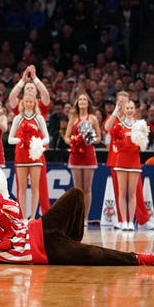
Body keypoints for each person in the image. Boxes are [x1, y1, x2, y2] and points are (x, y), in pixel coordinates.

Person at [104, 91, 154, 230]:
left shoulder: (137, 121)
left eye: (125, 102)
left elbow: (143, 141)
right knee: (119, 191)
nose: (123, 105)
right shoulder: (114, 119)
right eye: (120, 102)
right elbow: (107, 128)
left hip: (133, 160)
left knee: (135, 191)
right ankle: (121, 220)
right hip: (117, 159)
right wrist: (116, 110)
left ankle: (140, 220)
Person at [8, 65, 51, 214]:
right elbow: (11, 97)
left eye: (33, 88)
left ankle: (44, 215)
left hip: (37, 152)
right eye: (28, 88)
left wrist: (35, 78)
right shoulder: (19, 108)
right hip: (21, 153)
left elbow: (46, 94)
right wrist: (22, 80)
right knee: (21, 187)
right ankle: (22, 217)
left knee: (41, 186)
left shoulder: (40, 108)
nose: (30, 89)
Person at [64, 93, 102, 225]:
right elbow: (66, 137)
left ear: (88, 102)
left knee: (87, 188)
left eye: (85, 99)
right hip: (75, 155)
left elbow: (99, 138)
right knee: (77, 188)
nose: (82, 101)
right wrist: (75, 141)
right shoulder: (73, 118)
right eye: (80, 99)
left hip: (88, 155)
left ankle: (85, 218)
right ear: (77, 103)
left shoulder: (93, 118)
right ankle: (77, 217)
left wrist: (89, 140)